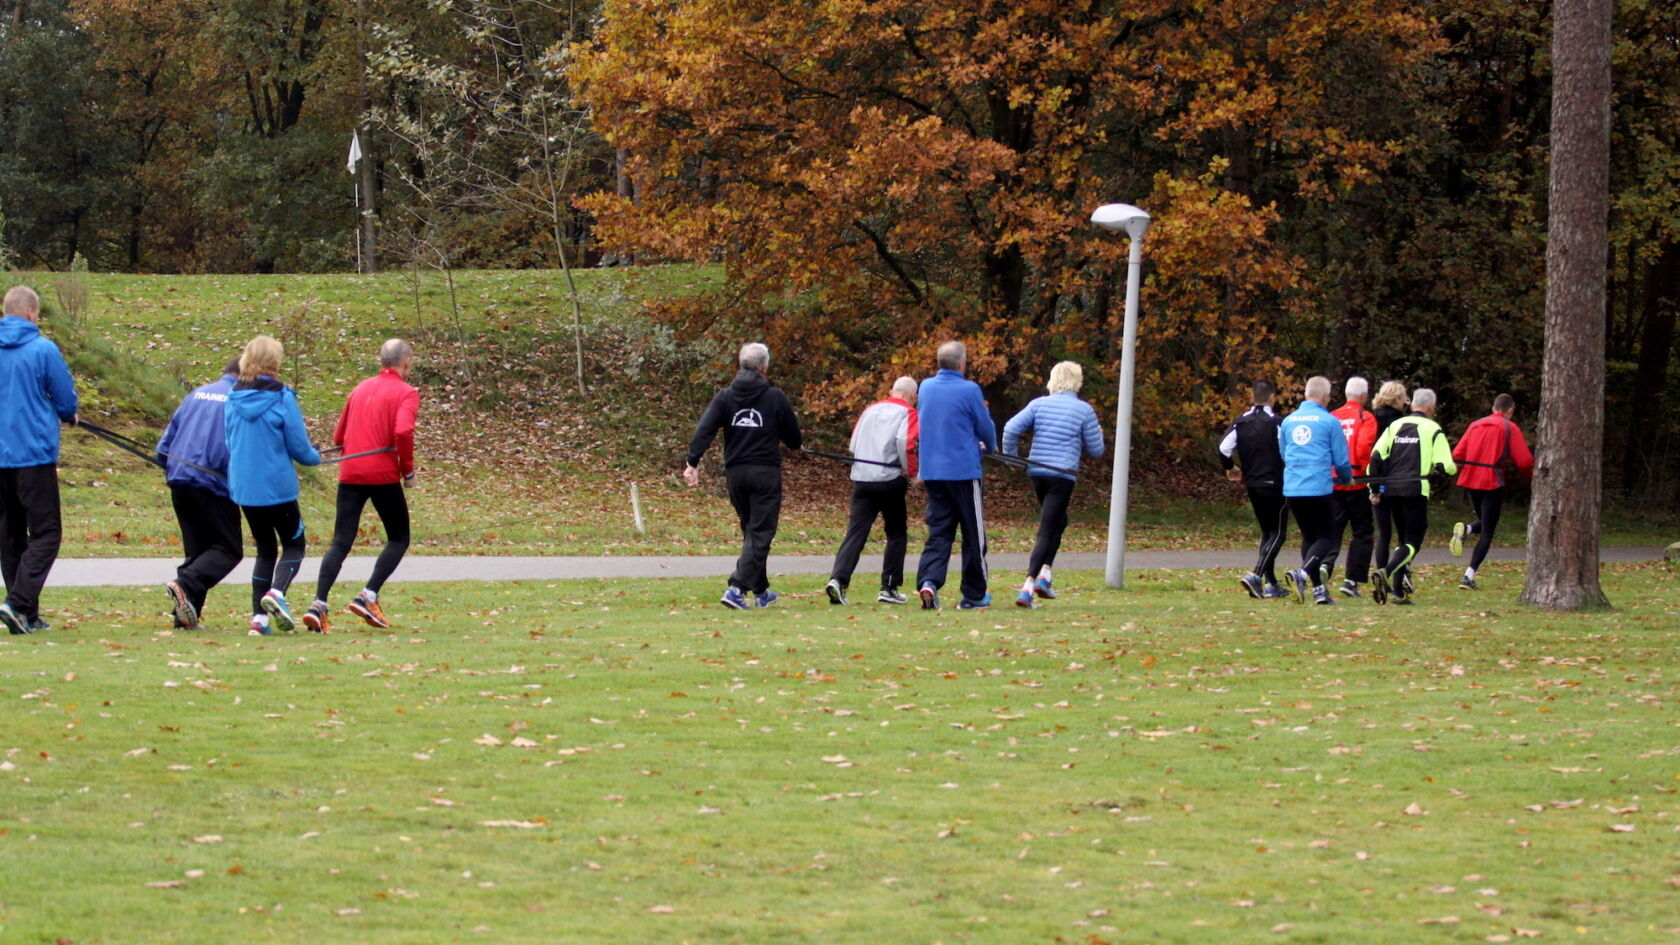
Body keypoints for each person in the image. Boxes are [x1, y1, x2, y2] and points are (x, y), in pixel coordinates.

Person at [305, 339, 421, 632]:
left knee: (341, 541)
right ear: (406, 361)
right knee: (398, 538)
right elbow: (404, 431)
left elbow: (339, 437)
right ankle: (368, 594)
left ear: (380, 360)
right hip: (382, 474)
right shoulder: (407, 393)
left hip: (351, 472)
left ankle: (319, 604)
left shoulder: (360, 388)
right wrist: (407, 471)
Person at [684, 342, 802, 609]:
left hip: (736, 474)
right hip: (764, 473)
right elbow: (793, 438)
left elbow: (705, 429)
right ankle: (736, 589)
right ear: (764, 366)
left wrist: (693, 461)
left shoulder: (725, 396)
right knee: (760, 533)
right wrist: (794, 443)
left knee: (752, 532)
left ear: (741, 365)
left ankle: (760, 591)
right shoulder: (774, 397)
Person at [224, 335, 323, 634]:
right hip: (276, 487)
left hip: (244, 489)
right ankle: (277, 593)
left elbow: (230, 442)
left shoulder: (233, 396)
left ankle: (259, 620)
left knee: (266, 550)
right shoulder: (281, 397)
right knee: (294, 544)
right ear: (274, 362)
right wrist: (315, 457)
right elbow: (300, 448)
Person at [0, 286, 78, 636]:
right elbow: (64, 397)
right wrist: (68, 413)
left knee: (11, 531)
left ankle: (25, 614)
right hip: (32, 453)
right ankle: (18, 602)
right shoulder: (42, 349)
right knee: (46, 532)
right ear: (31, 313)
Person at [1002, 361, 1104, 608]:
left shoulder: (1038, 404)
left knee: (1059, 521)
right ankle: (1028, 585)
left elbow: (1010, 429)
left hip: (1038, 473)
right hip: (1062, 475)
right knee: (1047, 529)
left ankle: (1045, 575)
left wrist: (1013, 459)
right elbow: (1096, 451)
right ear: (1077, 381)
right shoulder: (1084, 410)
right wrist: (1098, 434)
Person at [158, 358, 243, 629]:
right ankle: (185, 583)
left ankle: (184, 618)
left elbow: (164, 446)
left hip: (180, 478)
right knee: (228, 549)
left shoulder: (196, 394)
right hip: (213, 482)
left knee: (198, 552)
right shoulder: (238, 399)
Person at [914, 340, 998, 610]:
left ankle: (929, 581)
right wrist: (991, 446)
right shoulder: (969, 389)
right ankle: (974, 594)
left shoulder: (925, 387)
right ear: (961, 364)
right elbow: (983, 424)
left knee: (939, 530)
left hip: (934, 471)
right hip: (962, 470)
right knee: (973, 534)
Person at [825, 376, 919, 606]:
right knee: (896, 533)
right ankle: (889, 586)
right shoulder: (908, 413)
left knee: (856, 532)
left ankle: (838, 579)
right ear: (912, 396)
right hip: (889, 479)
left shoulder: (870, 410)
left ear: (892, 390)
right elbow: (905, 443)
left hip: (863, 478)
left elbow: (853, 444)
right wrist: (913, 472)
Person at [1368, 388, 1456, 605]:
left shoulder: (1395, 426)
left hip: (1393, 489)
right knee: (1412, 541)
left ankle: (1398, 591)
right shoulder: (1433, 429)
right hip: (1416, 490)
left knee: (1401, 539)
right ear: (1430, 407)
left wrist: (1375, 488)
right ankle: (1386, 572)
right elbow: (1446, 465)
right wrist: (1450, 468)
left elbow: (1376, 457)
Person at [1279, 375, 1352, 605]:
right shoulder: (1329, 421)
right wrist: (1346, 478)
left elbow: (1283, 452)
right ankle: (1302, 574)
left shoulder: (1289, 421)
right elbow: (1340, 459)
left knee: (1309, 537)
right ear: (1324, 396)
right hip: (1318, 487)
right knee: (1327, 537)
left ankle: (1319, 590)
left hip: (1293, 487)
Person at [1449, 393, 1533, 590]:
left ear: (1493, 408)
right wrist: (1531, 478)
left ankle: (1467, 530)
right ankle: (1468, 576)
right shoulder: (1509, 427)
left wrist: (1467, 469)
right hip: (1491, 481)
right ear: (1510, 410)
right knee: (1488, 530)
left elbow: (1457, 454)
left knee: (1486, 521)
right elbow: (1525, 461)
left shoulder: (1475, 425)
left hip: (1470, 480)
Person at [1219, 380, 1290, 600]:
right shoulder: (1277, 423)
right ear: (1272, 398)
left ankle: (1271, 583)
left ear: (1252, 397)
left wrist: (1231, 468)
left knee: (1267, 532)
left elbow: (1223, 448)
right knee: (1278, 533)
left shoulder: (1240, 422)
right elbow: (1286, 451)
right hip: (1275, 483)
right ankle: (1257, 574)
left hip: (1252, 484)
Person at [1325, 376, 1378, 597]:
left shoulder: (1331, 416)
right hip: (1356, 482)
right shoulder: (1366, 417)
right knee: (1363, 532)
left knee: (1332, 531)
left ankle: (1323, 569)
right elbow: (1364, 446)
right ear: (1364, 396)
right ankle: (1351, 580)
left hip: (1333, 481)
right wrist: (1362, 471)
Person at [1369, 380, 1409, 569]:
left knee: (1383, 533)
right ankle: (1400, 571)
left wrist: (1374, 486)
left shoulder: (1371, 419)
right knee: (1403, 531)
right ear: (1398, 398)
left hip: (1375, 477)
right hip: (1397, 478)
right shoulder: (1401, 423)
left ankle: (1380, 571)